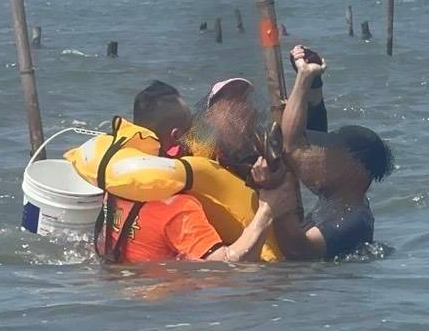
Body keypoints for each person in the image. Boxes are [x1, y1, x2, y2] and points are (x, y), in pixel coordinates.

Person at [97, 81, 287, 263]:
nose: (195, 135)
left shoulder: (116, 183)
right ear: (176, 137)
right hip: (165, 285)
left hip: (124, 281)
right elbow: (230, 262)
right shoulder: (178, 207)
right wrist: (267, 210)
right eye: (190, 129)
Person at [264, 45, 393, 259]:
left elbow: (299, 250)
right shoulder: (337, 199)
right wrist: (313, 83)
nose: (321, 155)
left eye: (331, 152)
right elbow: (305, 139)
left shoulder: (354, 220)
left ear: (356, 168)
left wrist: (273, 191)